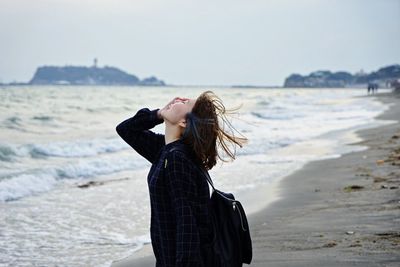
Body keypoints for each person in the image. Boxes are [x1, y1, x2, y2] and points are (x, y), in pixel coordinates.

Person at [116, 91, 248, 267]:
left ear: (184, 121)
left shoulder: (177, 159)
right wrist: (157, 114)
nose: (179, 99)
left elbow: (187, 223)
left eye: (185, 102)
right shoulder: (166, 150)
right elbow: (125, 129)